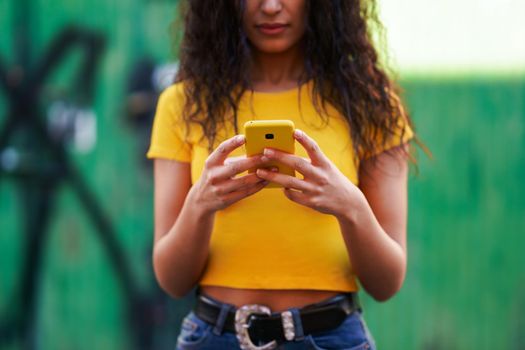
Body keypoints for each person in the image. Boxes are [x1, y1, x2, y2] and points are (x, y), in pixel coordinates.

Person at [147, 0, 417, 349]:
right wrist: (199, 205)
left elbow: (386, 283)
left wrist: (350, 207)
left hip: (330, 337)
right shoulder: (181, 104)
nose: (271, 7)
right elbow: (172, 280)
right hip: (213, 337)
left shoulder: (371, 104)